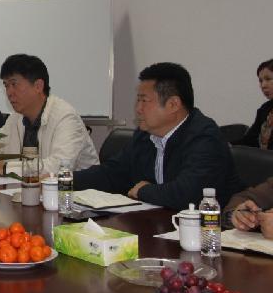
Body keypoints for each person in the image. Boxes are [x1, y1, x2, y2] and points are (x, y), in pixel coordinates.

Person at [74, 62, 240, 210]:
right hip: (159, 223)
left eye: (144, 101)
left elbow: (188, 194)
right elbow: (112, 173)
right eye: (138, 100)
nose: (138, 108)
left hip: (209, 230)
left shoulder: (205, 137)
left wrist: (143, 191)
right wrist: (63, 181)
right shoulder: (145, 135)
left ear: (173, 104)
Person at [0, 54, 98, 175]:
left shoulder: (66, 117)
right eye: (6, 85)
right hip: (32, 186)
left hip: (79, 187)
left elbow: (59, 166)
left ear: (38, 86)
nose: (9, 92)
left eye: (14, 84)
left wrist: (7, 168)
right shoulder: (16, 117)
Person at [232, 59, 273, 149]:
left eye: (268, 79)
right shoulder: (264, 109)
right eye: (260, 81)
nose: (263, 85)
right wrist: (227, 146)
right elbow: (249, 141)